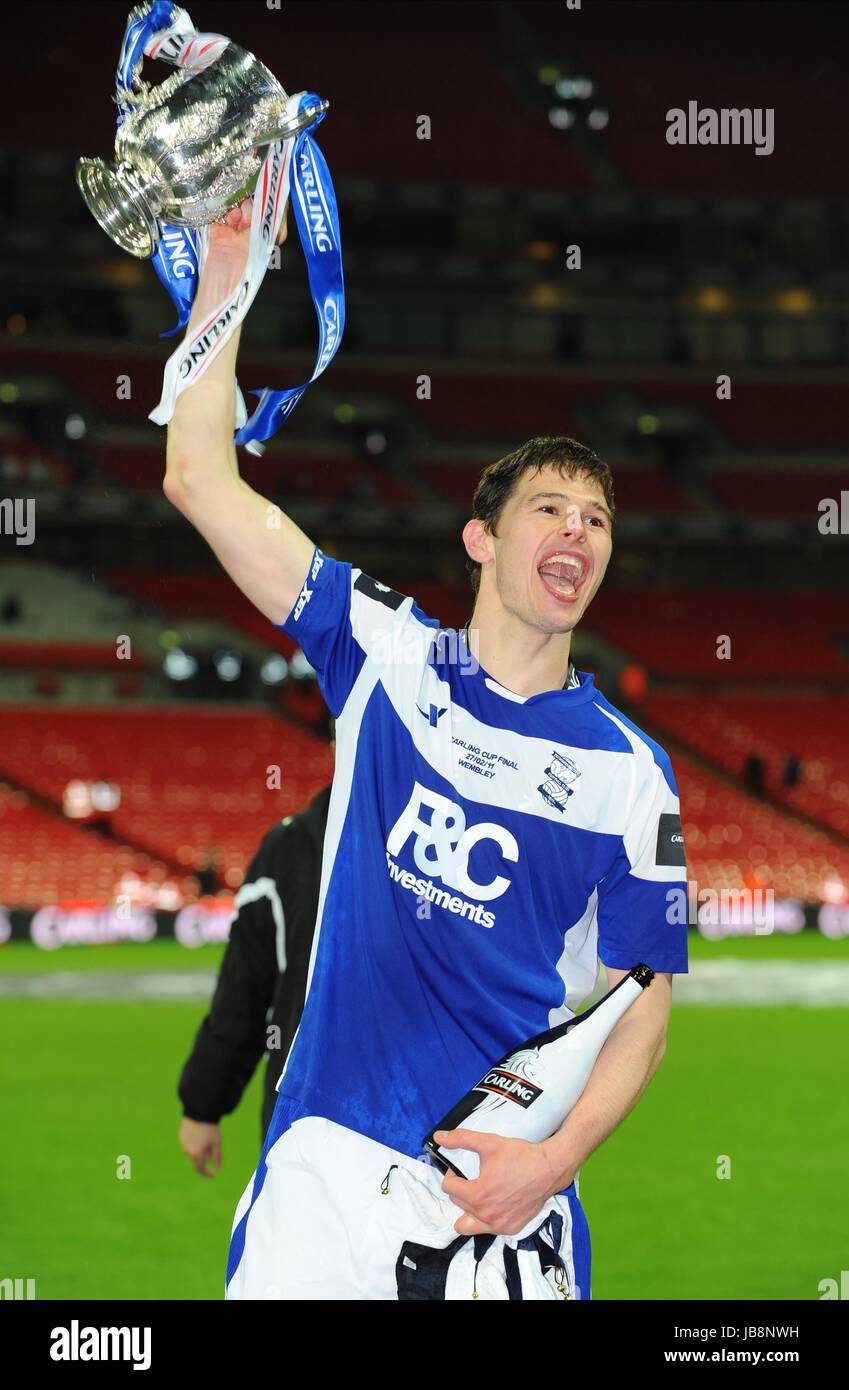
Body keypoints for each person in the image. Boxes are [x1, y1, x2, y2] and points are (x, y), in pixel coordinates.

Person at [163, 196, 689, 1301]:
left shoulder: (630, 776)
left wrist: (554, 1162)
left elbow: (644, 997)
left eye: (597, 521)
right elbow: (200, 480)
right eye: (550, 509)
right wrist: (225, 275)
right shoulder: (388, 654)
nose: (578, 534)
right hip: (325, 1164)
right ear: (482, 540)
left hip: (500, 1196)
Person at [177, 784, 331, 1176]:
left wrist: (202, 1105)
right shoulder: (445, 851)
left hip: (303, 1116)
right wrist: (203, 1103)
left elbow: (244, 991)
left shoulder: (292, 843)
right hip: (433, 1130)